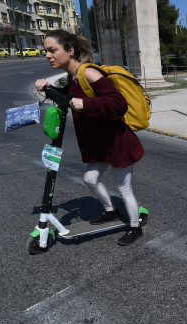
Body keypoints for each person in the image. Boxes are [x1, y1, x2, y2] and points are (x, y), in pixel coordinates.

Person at [34, 30, 145, 246]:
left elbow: (119, 103)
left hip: (118, 141)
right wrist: (48, 89)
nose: (47, 55)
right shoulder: (71, 77)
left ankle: (135, 226)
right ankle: (111, 211)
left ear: (70, 50)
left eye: (52, 50)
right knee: (89, 178)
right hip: (101, 144)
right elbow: (67, 99)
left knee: (124, 188)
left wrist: (87, 104)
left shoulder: (89, 74)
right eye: (45, 51)